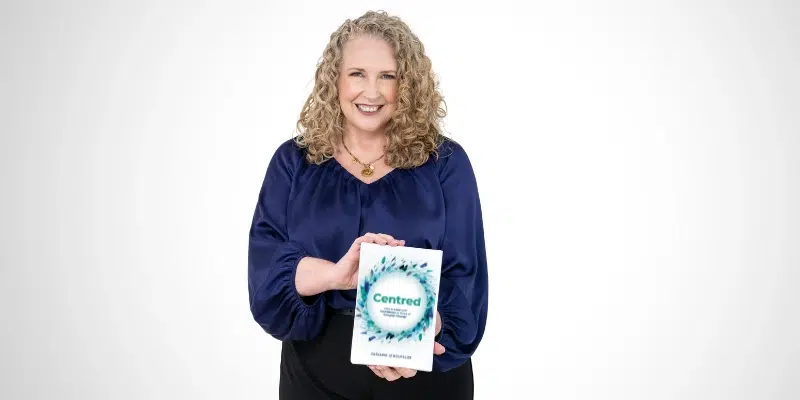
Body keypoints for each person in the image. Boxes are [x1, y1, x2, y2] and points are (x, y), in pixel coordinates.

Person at [247, 10, 488, 400]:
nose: (371, 92)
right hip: (315, 372)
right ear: (334, 80)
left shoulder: (444, 163)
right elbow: (267, 269)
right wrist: (336, 275)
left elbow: (466, 275)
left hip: (421, 370)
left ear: (407, 85)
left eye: (387, 76)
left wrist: (421, 334)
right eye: (357, 73)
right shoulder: (293, 163)